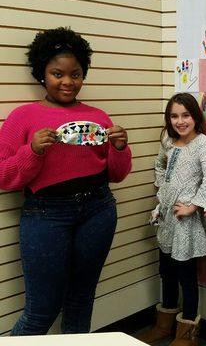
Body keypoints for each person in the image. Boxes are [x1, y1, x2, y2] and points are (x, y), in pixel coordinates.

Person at [0, 27, 132, 335]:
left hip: (98, 210)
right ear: (41, 74)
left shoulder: (98, 117)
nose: (68, 82)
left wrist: (120, 148)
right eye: (57, 73)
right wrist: (31, 151)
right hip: (46, 214)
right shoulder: (22, 117)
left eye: (76, 74)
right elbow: (4, 176)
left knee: (81, 301)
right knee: (41, 309)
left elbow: (117, 174)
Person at [138, 93, 206, 346]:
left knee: (186, 275)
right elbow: (160, 165)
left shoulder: (201, 142)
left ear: (195, 116)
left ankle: (187, 334)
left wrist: (194, 205)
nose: (180, 121)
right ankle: (164, 326)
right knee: (167, 272)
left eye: (186, 115)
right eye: (174, 116)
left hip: (186, 223)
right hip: (167, 219)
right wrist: (162, 190)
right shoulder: (168, 140)